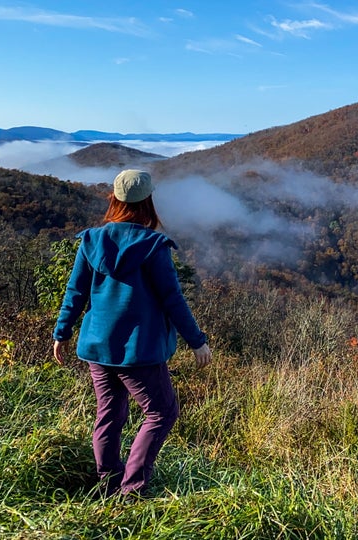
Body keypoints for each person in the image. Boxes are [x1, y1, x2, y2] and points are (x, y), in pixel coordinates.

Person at [52, 169, 212, 499]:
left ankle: (107, 485)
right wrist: (197, 340)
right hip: (138, 351)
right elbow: (173, 300)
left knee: (109, 414)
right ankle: (132, 490)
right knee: (162, 412)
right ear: (148, 202)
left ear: (115, 198)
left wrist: (62, 333)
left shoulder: (91, 241)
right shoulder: (153, 246)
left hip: (97, 347)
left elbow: (75, 292)